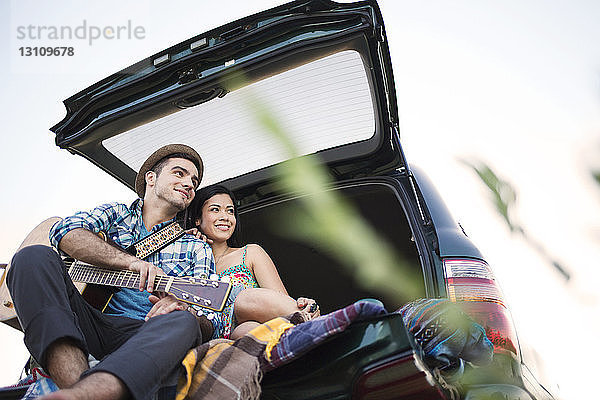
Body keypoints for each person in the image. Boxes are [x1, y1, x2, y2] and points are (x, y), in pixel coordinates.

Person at [7, 144, 218, 400]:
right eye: (179, 173)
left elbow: (210, 322)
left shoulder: (196, 247)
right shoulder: (117, 214)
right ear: (150, 178)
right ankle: (78, 388)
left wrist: (183, 309)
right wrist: (128, 262)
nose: (189, 184)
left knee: (183, 322)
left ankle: (90, 392)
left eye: (193, 181)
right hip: (88, 321)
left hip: (144, 333)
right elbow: (65, 233)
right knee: (31, 256)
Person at [187, 184, 320, 340]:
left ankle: (317, 328)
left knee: (248, 326)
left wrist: (302, 307)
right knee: (243, 332)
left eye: (230, 211)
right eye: (215, 210)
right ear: (197, 219)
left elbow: (279, 300)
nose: (225, 217)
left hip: (255, 325)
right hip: (217, 336)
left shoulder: (249, 253)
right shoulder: (189, 265)